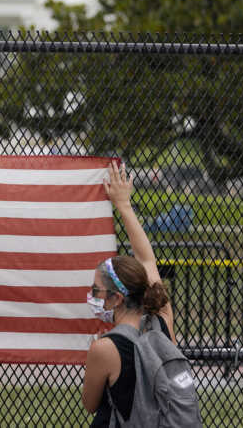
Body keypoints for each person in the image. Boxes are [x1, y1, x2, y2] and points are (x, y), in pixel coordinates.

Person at [82, 161, 177, 427]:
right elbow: (147, 259)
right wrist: (123, 204)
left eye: (96, 290)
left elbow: (89, 403)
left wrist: (93, 351)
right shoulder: (162, 319)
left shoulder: (104, 349)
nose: (91, 296)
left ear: (117, 298)